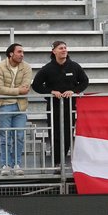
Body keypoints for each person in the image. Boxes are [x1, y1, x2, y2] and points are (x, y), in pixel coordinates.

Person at [31, 40, 89, 171]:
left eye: (65, 48)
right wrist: (51, 92)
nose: (64, 50)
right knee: (55, 134)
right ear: (54, 51)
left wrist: (74, 91)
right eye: (61, 48)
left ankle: (64, 160)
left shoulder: (74, 66)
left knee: (68, 133)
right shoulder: (47, 68)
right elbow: (36, 85)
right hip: (54, 106)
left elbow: (85, 81)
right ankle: (57, 162)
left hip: (70, 106)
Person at [0, 43, 32, 176]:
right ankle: (5, 164)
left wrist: (18, 91)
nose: (22, 55)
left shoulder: (26, 67)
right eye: (19, 52)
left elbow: (25, 88)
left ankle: (17, 164)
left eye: (23, 52)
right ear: (11, 54)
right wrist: (18, 91)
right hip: (4, 105)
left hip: (20, 106)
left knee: (19, 136)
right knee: (5, 137)